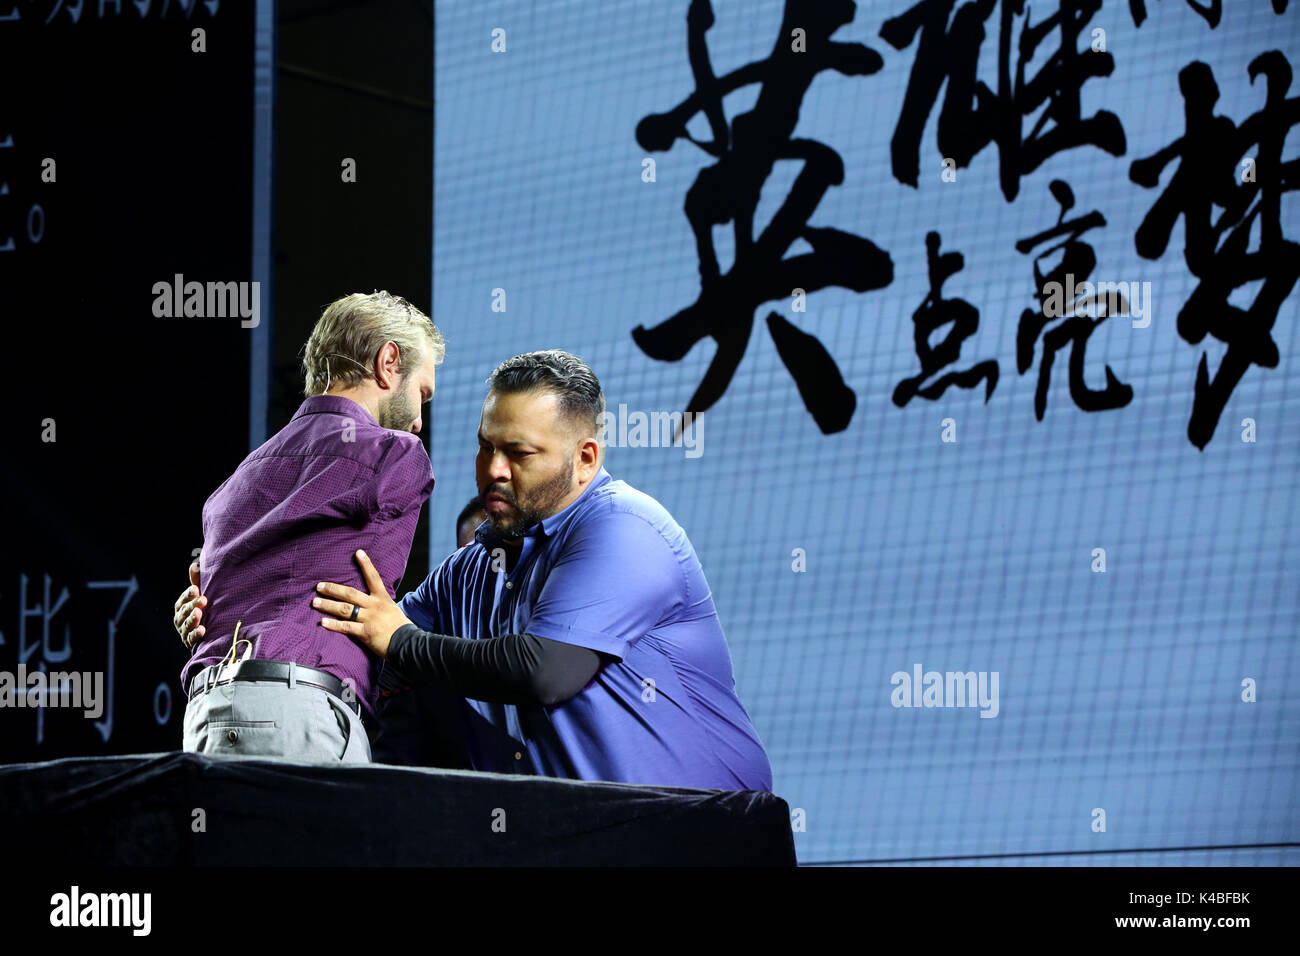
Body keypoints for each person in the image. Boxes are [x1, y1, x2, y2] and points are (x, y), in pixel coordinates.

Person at [310, 350, 773, 790]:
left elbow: (544, 672)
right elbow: (379, 649)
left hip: (704, 829)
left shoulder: (626, 527)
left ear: (586, 459)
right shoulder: (462, 574)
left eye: (520, 453)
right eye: (485, 447)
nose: (495, 469)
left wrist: (402, 641)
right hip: (567, 834)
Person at [173, 291, 442, 764]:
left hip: (206, 712)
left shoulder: (233, 484)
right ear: (388, 362)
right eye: (421, 393)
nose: (419, 421)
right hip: (302, 708)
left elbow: (221, 591)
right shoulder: (393, 454)